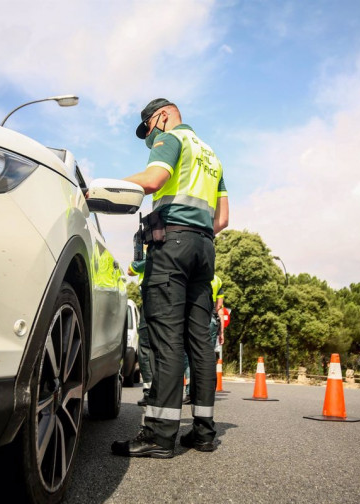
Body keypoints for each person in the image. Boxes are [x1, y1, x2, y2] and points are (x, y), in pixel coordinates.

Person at [111, 98, 228, 458]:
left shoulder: (171, 138)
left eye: (148, 131)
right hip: (204, 250)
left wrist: (105, 186)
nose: (149, 139)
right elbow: (222, 220)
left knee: (165, 339)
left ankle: (159, 436)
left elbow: (152, 180)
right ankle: (204, 432)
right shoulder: (211, 156)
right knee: (200, 344)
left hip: (171, 245)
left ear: (161, 117)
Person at [183, 273, 225, 403]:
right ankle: (207, 392)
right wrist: (222, 332)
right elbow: (219, 307)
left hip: (194, 316)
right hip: (212, 319)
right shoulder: (217, 280)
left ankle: (190, 391)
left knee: (189, 354)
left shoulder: (191, 275)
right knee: (208, 356)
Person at [127, 249, 152, 407]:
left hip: (152, 298)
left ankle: (150, 391)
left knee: (145, 347)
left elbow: (131, 270)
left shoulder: (151, 247)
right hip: (177, 299)